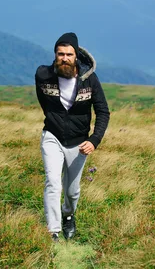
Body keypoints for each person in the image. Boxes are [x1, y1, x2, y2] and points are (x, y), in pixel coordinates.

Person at [35, 32, 110, 241]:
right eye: (60, 54)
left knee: (72, 191)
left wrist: (94, 141)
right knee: (53, 182)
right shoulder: (43, 75)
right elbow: (44, 103)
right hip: (52, 136)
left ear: (76, 55)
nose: (64, 58)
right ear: (55, 55)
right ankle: (53, 231)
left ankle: (68, 215)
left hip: (79, 142)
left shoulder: (89, 79)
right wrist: (54, 120)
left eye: (69, 54)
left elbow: (103, 111)